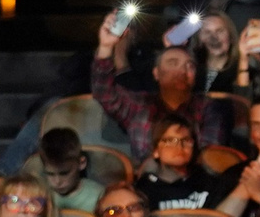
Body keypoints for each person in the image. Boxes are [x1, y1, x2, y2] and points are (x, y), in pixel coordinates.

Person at [91, 14, 233, 156]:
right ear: (156, 73)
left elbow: (210, 156)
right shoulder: (141, 105)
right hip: (147, 175)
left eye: (189, 66)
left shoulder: (209, 109)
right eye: (172, 64)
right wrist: (106, 47)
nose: (182, 71)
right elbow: (104, 94)